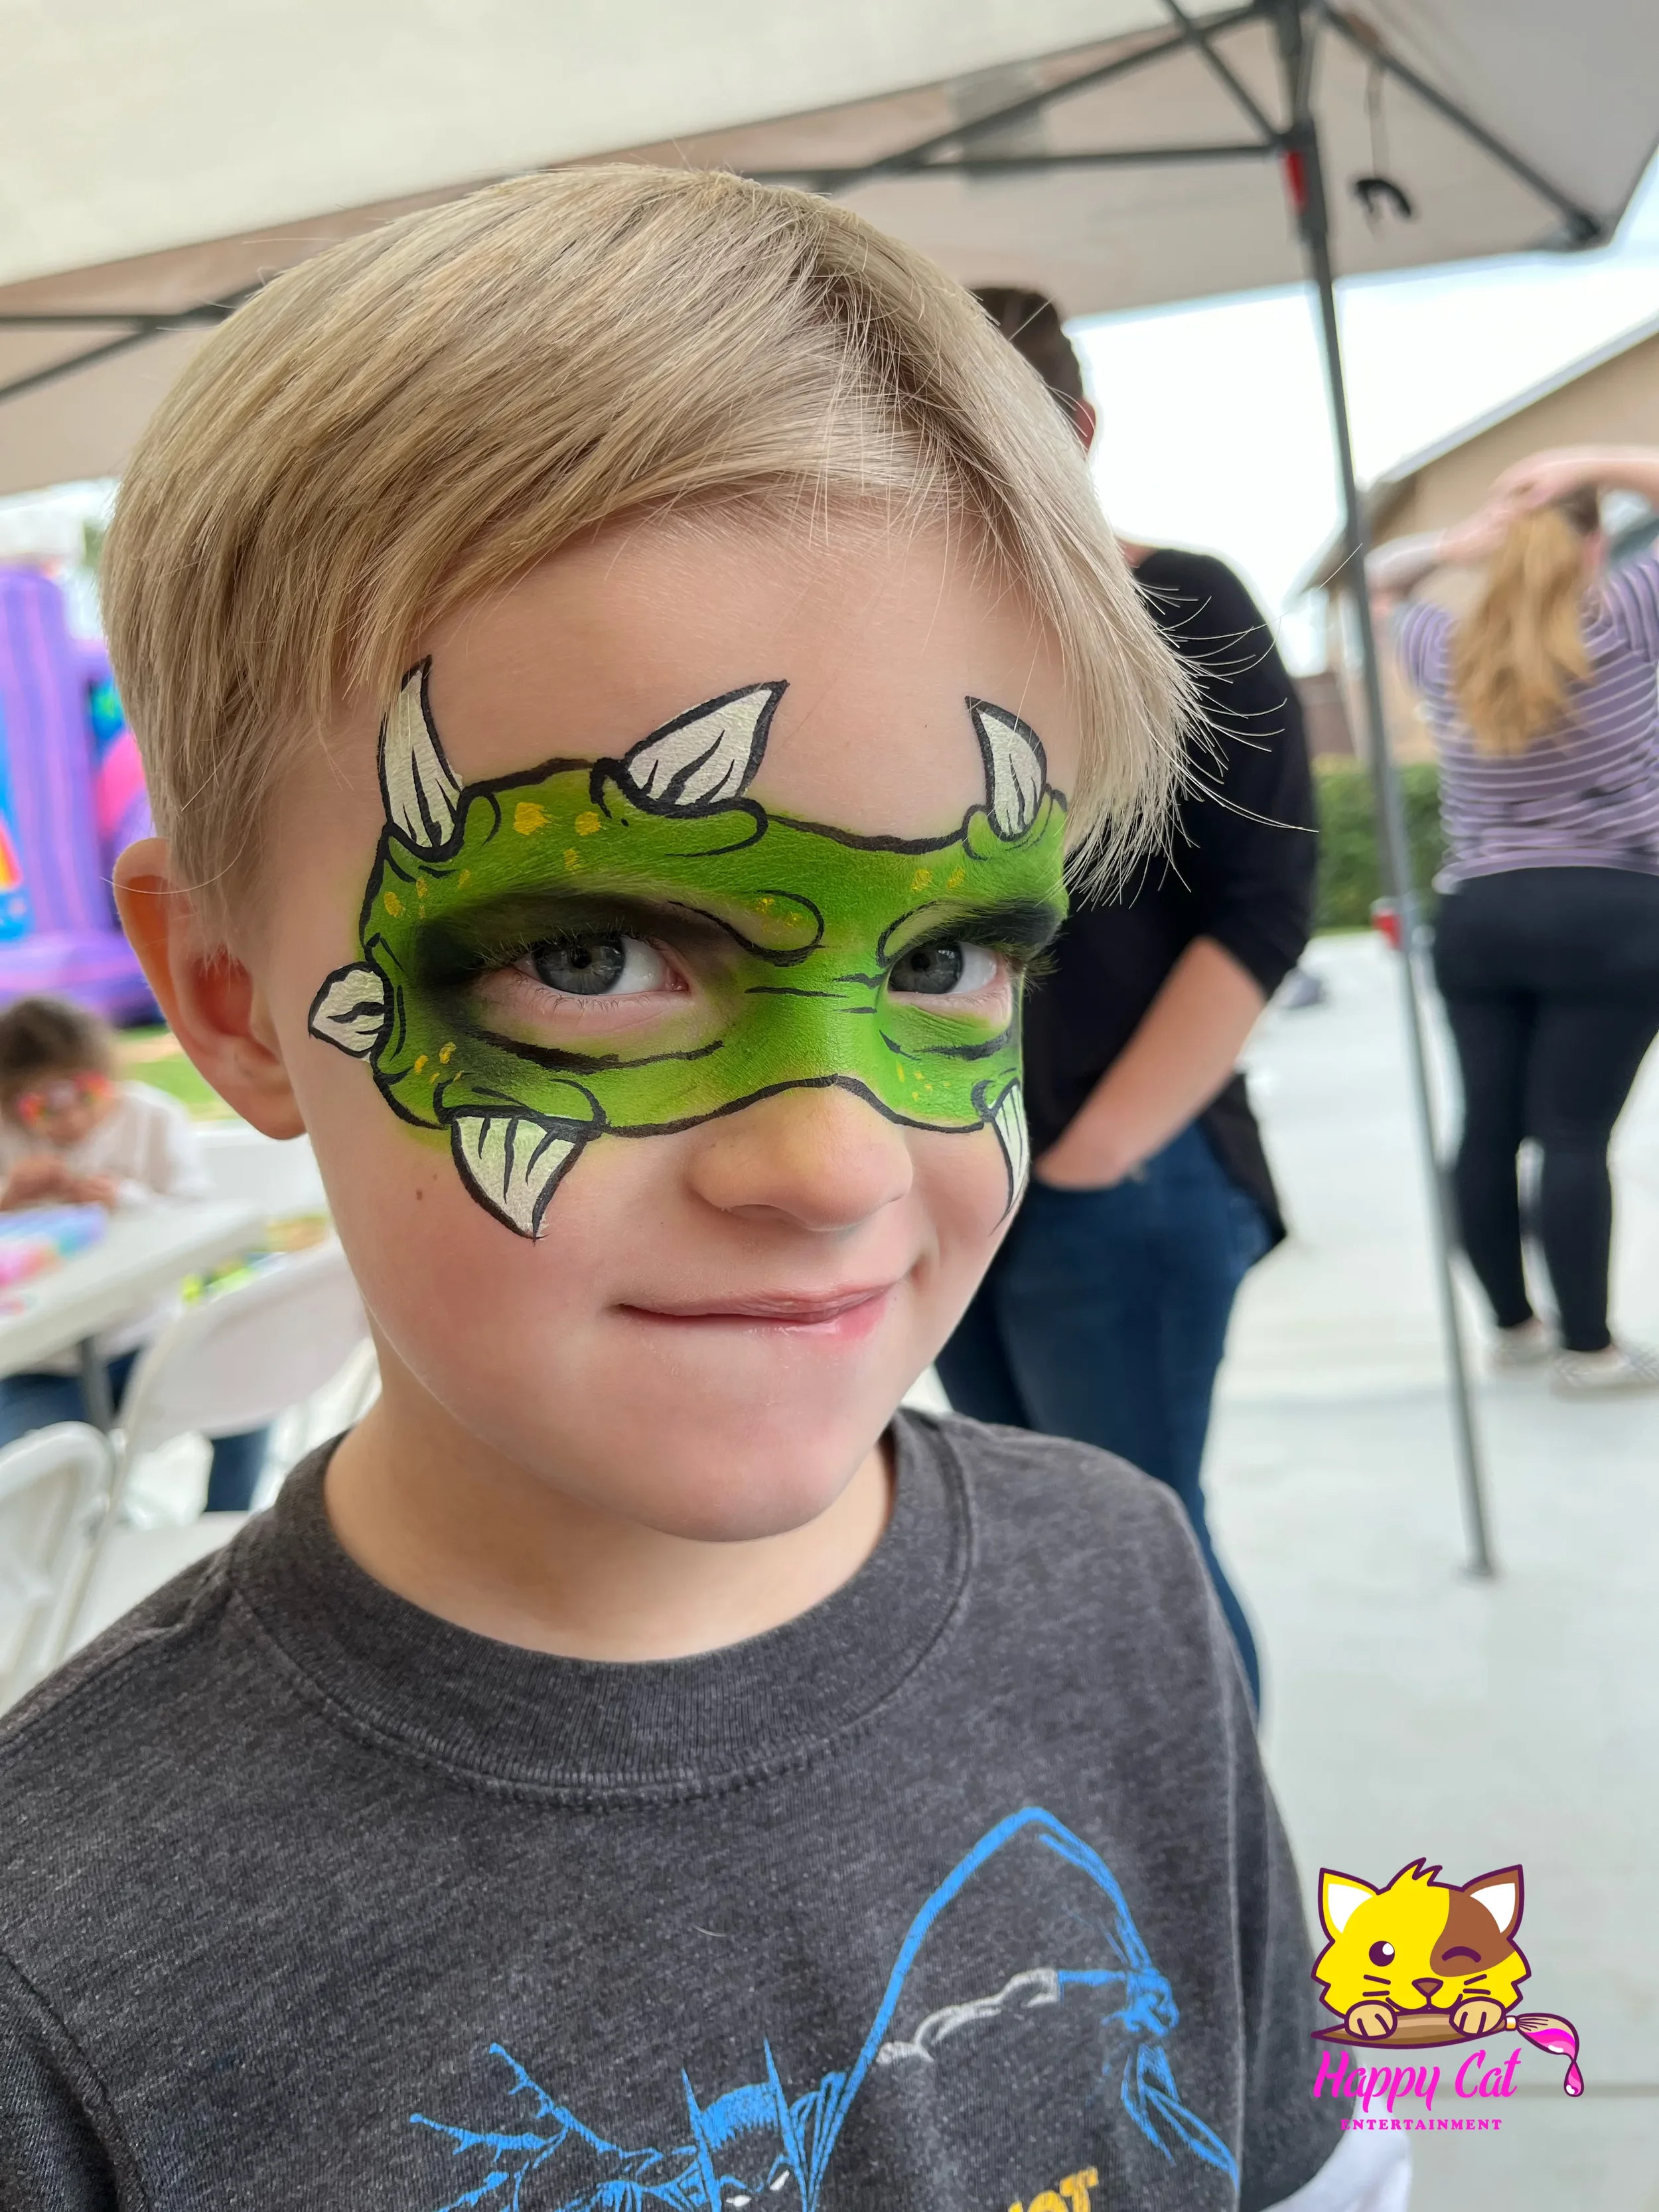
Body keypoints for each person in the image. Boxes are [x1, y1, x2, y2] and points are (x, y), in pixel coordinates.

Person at [0, 173, 1404, 2212]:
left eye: (943, 962)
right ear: (225, 993)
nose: (830, 1168)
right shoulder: (62, 1958)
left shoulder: (1122, 1585)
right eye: (588, 959)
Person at [938, 291, 1315, 1710]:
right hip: (963, 1167)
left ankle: (1211, 1884)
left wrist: (1099, 1153)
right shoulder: (910, 640)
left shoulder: (1182, 602)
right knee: (1035, 1549)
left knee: (1140, 1545)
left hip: (1123, 1171)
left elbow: (1262, 906)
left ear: (1073, 433)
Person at [1370, 445, 1659, 1393]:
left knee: (1486, 1128)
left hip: (1481, 915)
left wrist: (1456, 543)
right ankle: (1590, 1350)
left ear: (1503, 552)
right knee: (1573, 1134)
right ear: (1593, 548)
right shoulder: (1625, 616)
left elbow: (1371, 585)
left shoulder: (1447, 648)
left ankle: (1513, 1325)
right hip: (1613, 910)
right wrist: (1605, 460)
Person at [0, 993, 270, 1507]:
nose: (70, 1119)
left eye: (85, 1095)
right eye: (42, 1106)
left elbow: (196, 1216)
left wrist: (126, 1197)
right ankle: (90, 1557)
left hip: (147, 1338)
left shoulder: (150, 1118)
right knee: (28, 1490)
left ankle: (221, 1525)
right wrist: (8, 1199)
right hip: (42, 1364)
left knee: (249, 1398)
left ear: (106, 1075)